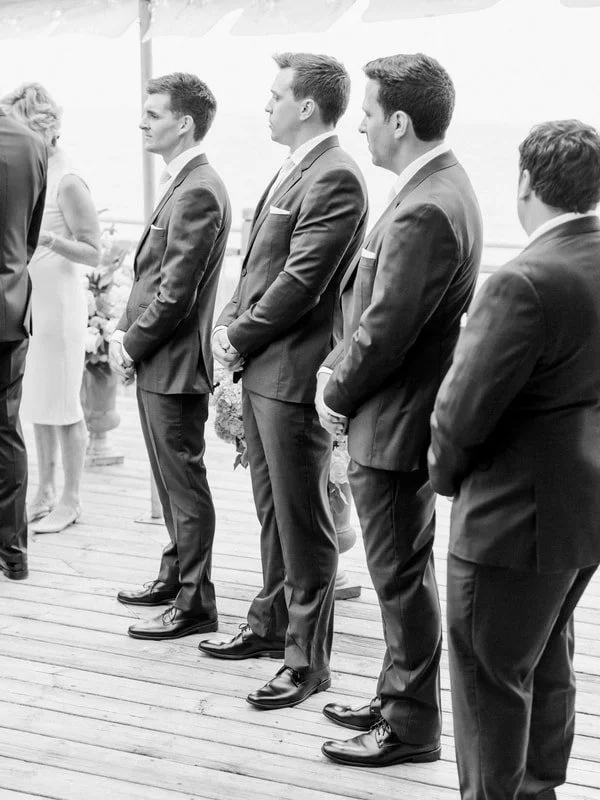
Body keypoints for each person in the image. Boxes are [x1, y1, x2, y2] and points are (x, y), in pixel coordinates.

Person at [317, 53, 483, 767]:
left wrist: (334, 393)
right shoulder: (435, 187)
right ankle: (395, 695)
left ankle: (411, 726)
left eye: (368, 113)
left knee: (400, 578)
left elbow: (387, 331)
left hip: (395, 425)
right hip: (399, 416)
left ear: (400, 122)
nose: (360, 125)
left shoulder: (426, 207)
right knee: (399, 573)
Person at [428, 119, 600, 800]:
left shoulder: (523, 280)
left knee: (489, 677)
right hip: (581, 511)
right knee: (548, 657)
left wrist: (443, 478)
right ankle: (539, 789)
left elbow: (461, 409)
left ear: (525, 181)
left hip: (508, 519)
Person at [199, 52, 368, 710]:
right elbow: (256, 267)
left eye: (275, 96)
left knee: (305, 525)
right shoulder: (293, 167)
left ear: (306, 105)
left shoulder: (336, 175)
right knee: (273, 514)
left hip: (294, 376)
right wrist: (227, 324)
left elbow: (302, 282)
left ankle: (307, 662)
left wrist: (236, 337)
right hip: (264, 371)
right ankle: (270, 623)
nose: (265, 106)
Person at [111, 72, 231, 640]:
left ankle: (196, 600)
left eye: (153, 114)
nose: (142, 122)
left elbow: (176, 293)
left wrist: (130, 345)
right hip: (159, 361)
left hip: (175, 364)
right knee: (168, 482)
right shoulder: (182, 182)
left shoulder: (199, 188)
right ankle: (175, 573)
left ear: (184, 123)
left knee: (184, 484)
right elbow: (151, 277)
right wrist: (123, 332)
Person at [3, 83, 101, 535]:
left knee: (65, 405)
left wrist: (49, 239)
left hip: (60, 304)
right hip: (29, 302)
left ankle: (72, 498)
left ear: (40, 127)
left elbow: (94, 250)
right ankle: (43, 491)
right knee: (39, 400)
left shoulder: (68, 179)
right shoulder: (31, 168)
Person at [0, 102, 47, 580]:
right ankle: (14, 554)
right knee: (7, 431)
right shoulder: (32, 144)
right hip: (11, 307)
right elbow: (29, 237)